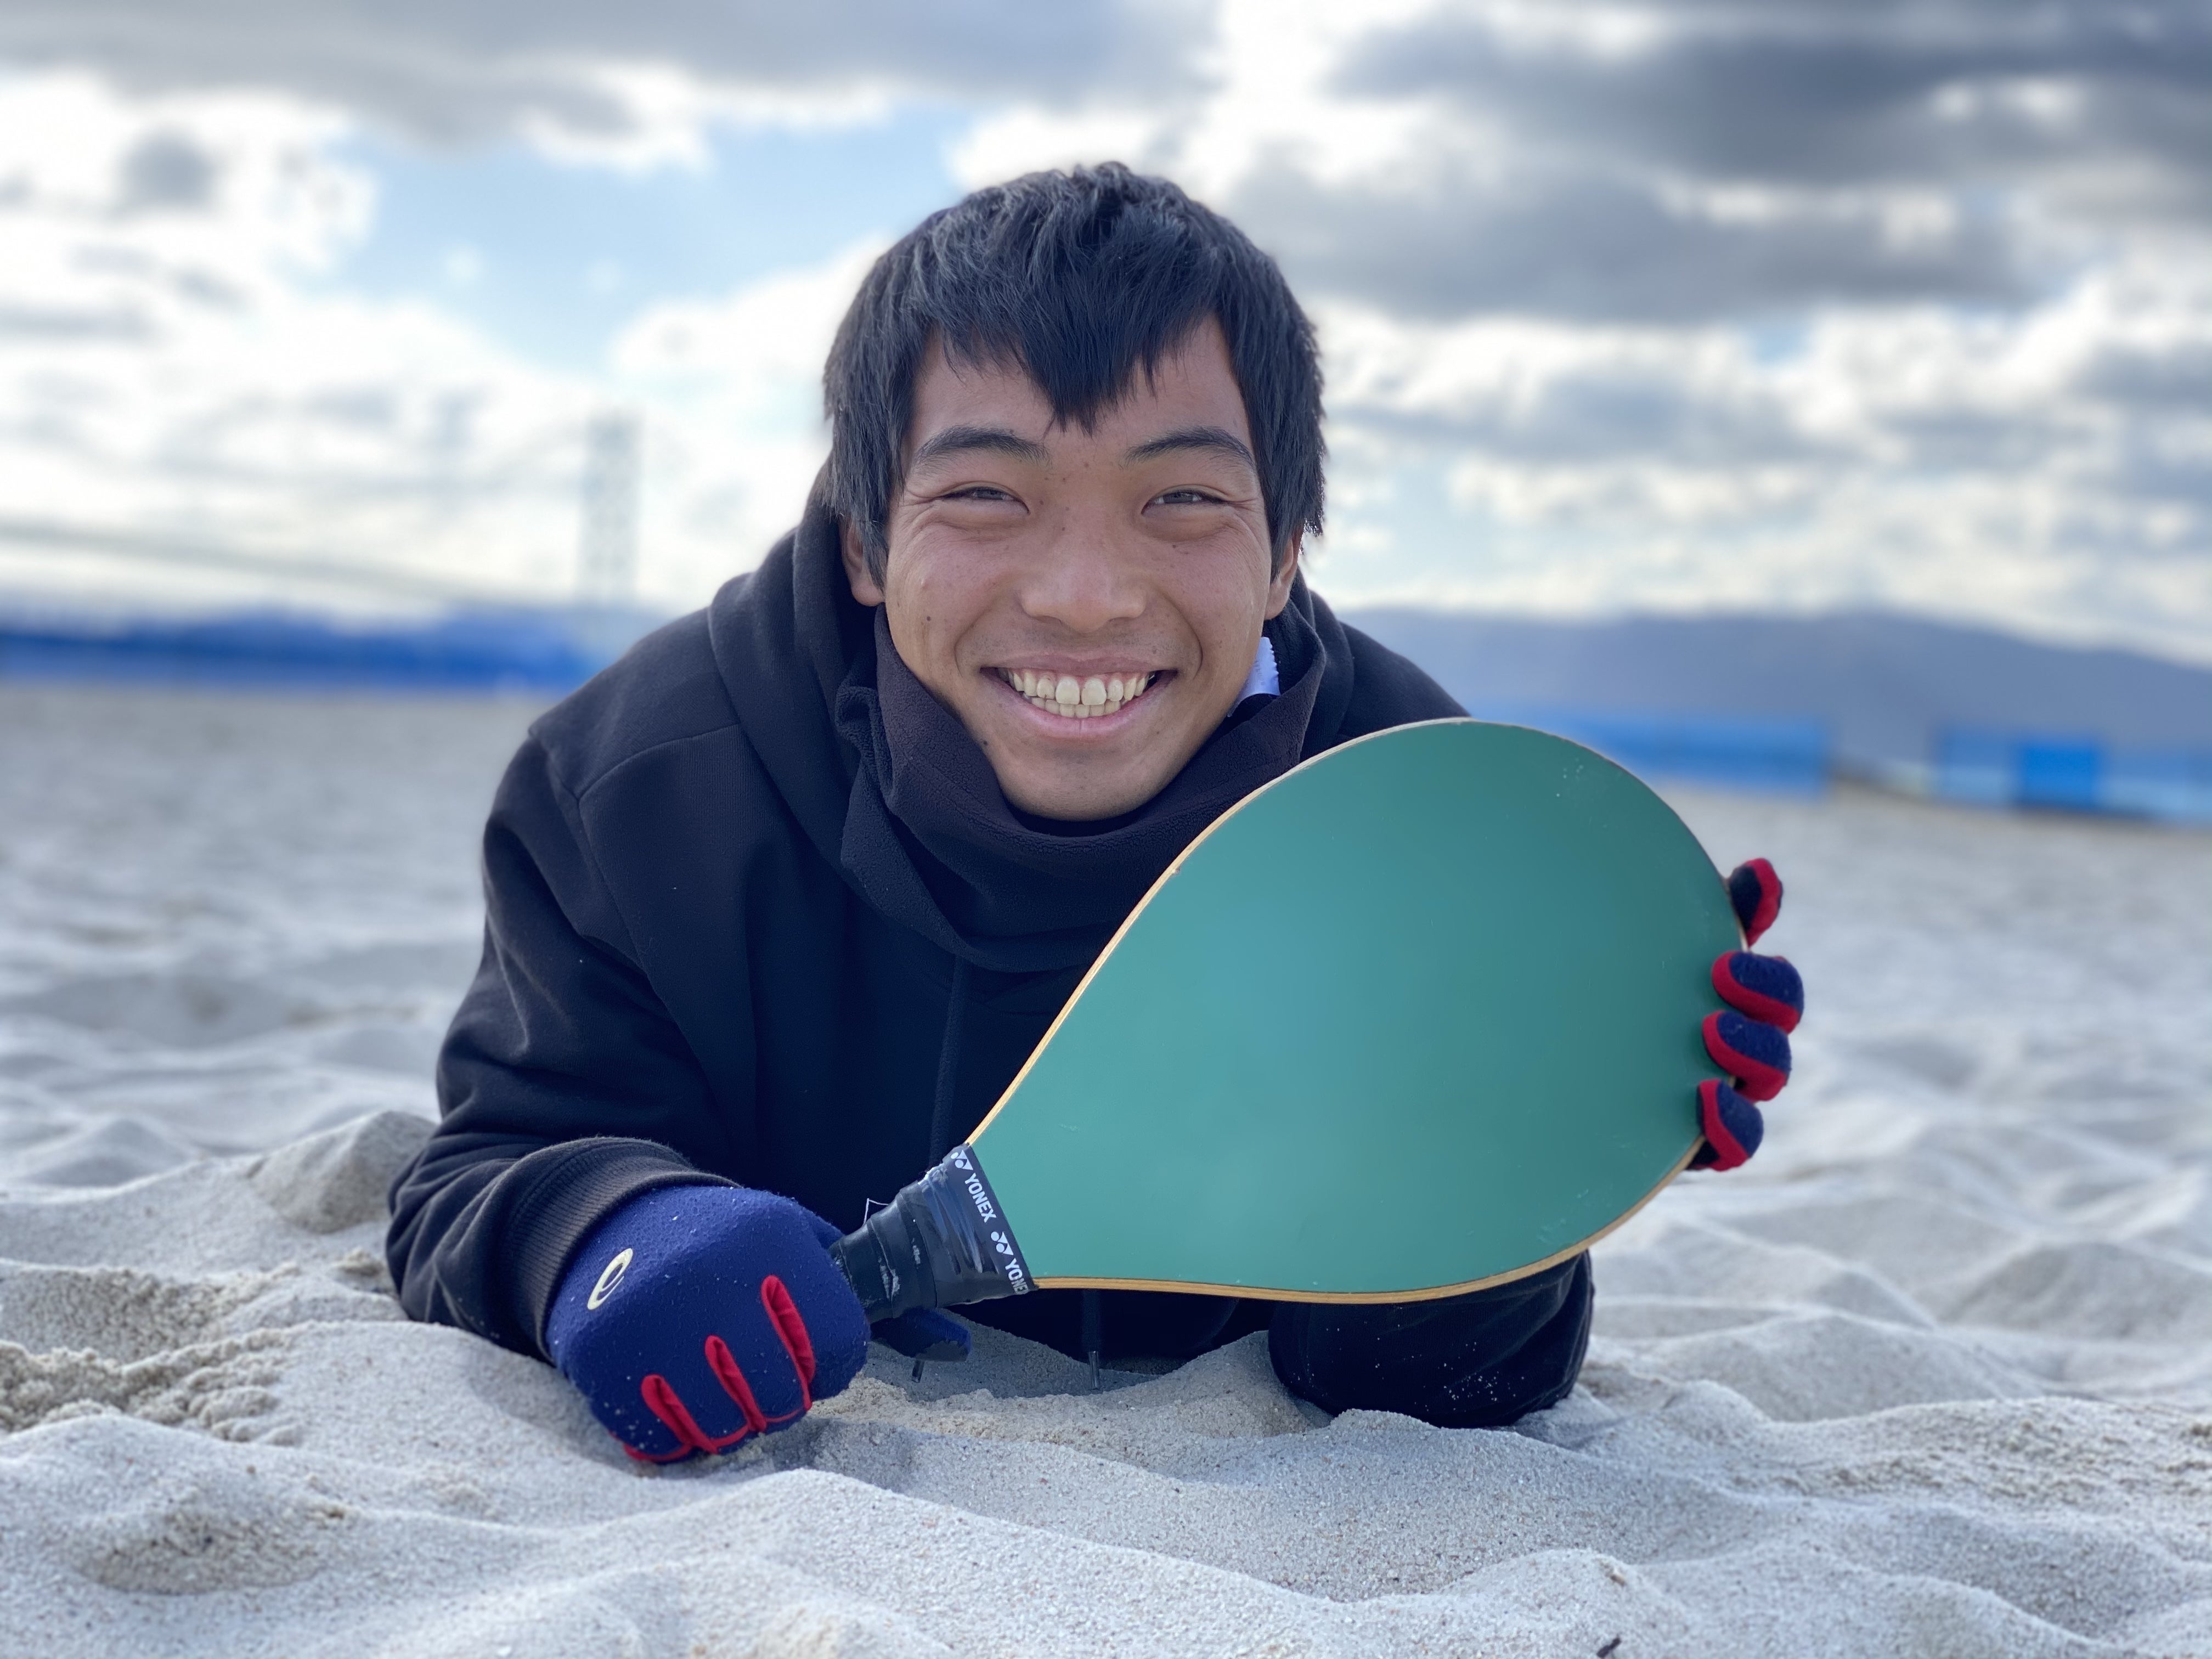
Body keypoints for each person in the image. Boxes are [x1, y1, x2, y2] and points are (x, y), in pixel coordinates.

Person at [386, 163, 1803, 1465]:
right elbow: (491, 1161)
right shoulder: (636, 791)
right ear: (867, 541)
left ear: (1284, 555)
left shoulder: (1423, 819)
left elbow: (1428, 1392)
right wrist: (612, 1236)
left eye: (1180, 499)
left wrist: (1528, 1165)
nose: (1084, 595)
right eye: (984, 495)